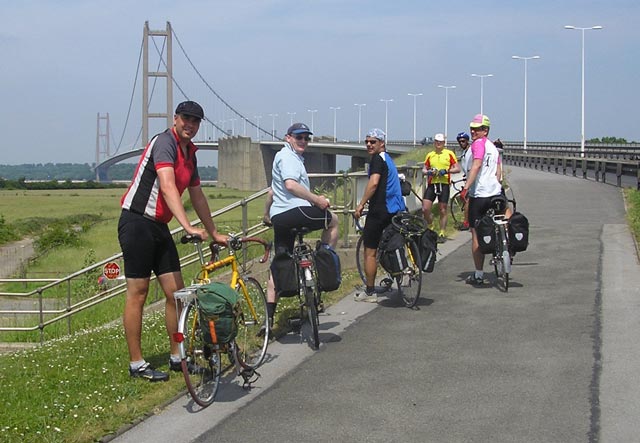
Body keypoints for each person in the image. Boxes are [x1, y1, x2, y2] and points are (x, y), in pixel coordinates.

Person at [118, 100, 228, 381]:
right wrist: (188, 226)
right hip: (137, 222)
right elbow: (167, 186)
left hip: (159, 226)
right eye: (186, 118)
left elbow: (197, 195)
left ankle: (177, 356)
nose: (190, 124)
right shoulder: (164, 143)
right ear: (176, 119)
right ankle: (136, 364)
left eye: (196, 121)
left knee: (176, 295)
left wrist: (213, 231)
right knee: (138, 293)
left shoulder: (190, 153)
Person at [265, 123, 339, 328]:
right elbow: (290, 185)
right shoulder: (289, 157)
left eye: (306, 138)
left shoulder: (282, 157)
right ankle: (324, 259)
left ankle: (269, 319)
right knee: (333, 221)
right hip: (297, 211)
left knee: (280, 260)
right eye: (299, 137)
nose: (303, 141)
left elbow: (273, 192)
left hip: (280, 217)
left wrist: (266, 215)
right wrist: (317, 200)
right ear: (288, 138)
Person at [354, 128, 405, 303]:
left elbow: (374, 183)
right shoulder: (388, 159)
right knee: (392, 243)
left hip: (379, 210)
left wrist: (361, 204)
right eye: (367, 141)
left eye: (373, 142)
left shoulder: (377, 159)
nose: (369, 144)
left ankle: (370, 292)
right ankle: (400, 273)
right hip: (395, 209)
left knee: (370, 251)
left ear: (382, 143)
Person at [459, 114, 503, 286]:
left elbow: (476, 165)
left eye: (477, 129)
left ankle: (478, 274)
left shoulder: (478, 144)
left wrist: (466, 187)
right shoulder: (493, 147)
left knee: (475, 233)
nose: (473, 131)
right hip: (496, 192)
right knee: (502, 218)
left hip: (480, 195)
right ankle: (505, 246)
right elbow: (499, 171)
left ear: (485, 130)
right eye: (472, 128)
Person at [421, 133, 461, 242]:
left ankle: (442, 232)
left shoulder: (449, 154)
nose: (438, 144)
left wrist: (446, 171)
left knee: (443, 209)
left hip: (444, 184)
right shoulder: (430, 155)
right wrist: (429, 172)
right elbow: (424, 169)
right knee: (425, 208)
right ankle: (430, 225)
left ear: (444, 143)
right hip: (432, 183)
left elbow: (457, 168)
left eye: (440, 142)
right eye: (436, 142)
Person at [456, 132, 472, 231]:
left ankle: (466, 222)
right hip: (468, 178)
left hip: (472, 180)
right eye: (459, 141)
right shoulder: (464, 152)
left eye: (463, 141)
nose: (461, 143)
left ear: (467, 141)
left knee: (467, 201)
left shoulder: (471, 151)